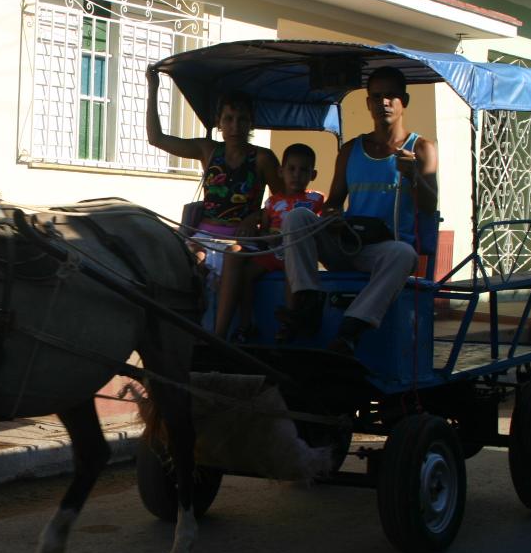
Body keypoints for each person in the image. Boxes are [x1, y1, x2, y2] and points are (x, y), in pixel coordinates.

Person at [278, 66, 438, 354]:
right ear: (368, 103)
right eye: (376, 96)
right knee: (297, 217)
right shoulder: (351, 150)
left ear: (405, 100)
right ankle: (307, 301)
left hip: (383, 252)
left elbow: (429, 206)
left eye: (390, 96)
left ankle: (351, 329)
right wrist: (332, 218)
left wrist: (413, 175)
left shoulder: (422, 148)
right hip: (348, 244)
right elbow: (333, 203)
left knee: (404, 254)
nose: (383, 103)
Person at [146, 66, 283, 330]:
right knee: (185, 258)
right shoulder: (208, 150)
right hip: (203, 236)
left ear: (250, 123)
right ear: (219, 122)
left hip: (243, 241)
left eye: (241, 119)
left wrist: (256, 216)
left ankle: (218, 338)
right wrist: (154, 89)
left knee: (232, 255)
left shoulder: (263, 158)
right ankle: (181, 330)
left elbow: (279, 204)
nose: (234, 126)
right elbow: (157, 138)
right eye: (229, 118)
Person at [213, 143, 325, 341]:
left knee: (292, 271)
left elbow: (320, 227)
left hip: (296, 253)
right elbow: (263, 230)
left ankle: (288, 322)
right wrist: (266, 236)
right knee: (246, 275)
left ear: (313, 174)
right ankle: (246, 325)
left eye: (303, 170)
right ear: (281, 172)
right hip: (272, 252)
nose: (297, 175)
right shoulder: (272, 202)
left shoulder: (317, 199)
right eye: (291, 169)